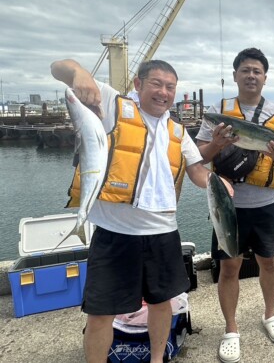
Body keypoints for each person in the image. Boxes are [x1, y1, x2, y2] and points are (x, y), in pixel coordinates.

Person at [51, 58, 226, 363]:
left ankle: (157, 359)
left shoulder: (178, 130)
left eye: (170, 87)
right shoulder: (112, 105)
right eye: (157, 84)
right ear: (138, 84)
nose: (164, 92)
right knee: (101, 312)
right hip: (115, 233)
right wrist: (78, 72)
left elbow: (197, 170)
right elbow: (58, 67)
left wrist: (217, 184)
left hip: (163, 232)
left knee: (162, 304)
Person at [196, 48, 274, 363]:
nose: (251, 76)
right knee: (229, 267)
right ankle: (231, 329)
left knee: (268, 262)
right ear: (235, 75)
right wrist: (217, 143)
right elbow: (198, 156)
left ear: (265, 77)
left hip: (267, 204)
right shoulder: (218, 112)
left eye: (257, 71)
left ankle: (270, 314)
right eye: (246, 70)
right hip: (229, 204)